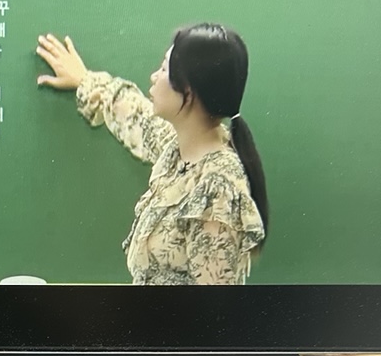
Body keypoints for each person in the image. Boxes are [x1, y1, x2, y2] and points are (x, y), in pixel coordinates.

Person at [35, 24, 269, 285]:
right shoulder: (181, 149)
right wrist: (84, 80)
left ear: (188, 92)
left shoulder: (217, 188)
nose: (154, 77)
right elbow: (139, 119)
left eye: (164, 70)